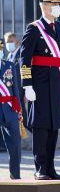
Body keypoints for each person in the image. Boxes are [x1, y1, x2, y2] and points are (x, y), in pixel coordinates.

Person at [20, 0, 60, 180]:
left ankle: (50, 167)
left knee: (53, 127)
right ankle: (40, 168)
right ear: (45, 7)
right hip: (39, 85)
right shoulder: (34, 29)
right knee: (40, 127)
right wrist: (27, 85)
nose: (58, 7)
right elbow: (24, 58)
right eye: (54, 4)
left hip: (55, 83)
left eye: (58, 4)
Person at [0, 38, 21, 179]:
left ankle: (15, 177)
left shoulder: (9, 65)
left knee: (15, 145)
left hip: (9, 109)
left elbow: (15, 89)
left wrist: (18, 108)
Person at [4, 32, 30, 133]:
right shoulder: (9, 56)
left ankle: (38, 142)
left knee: (25, 119)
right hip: (12, 93)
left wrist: (27, 91)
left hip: (21, 91)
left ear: (17, 42)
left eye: (11, 42)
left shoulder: (21, 54)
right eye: (7, 42)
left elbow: (26, 72)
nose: (9, 44)